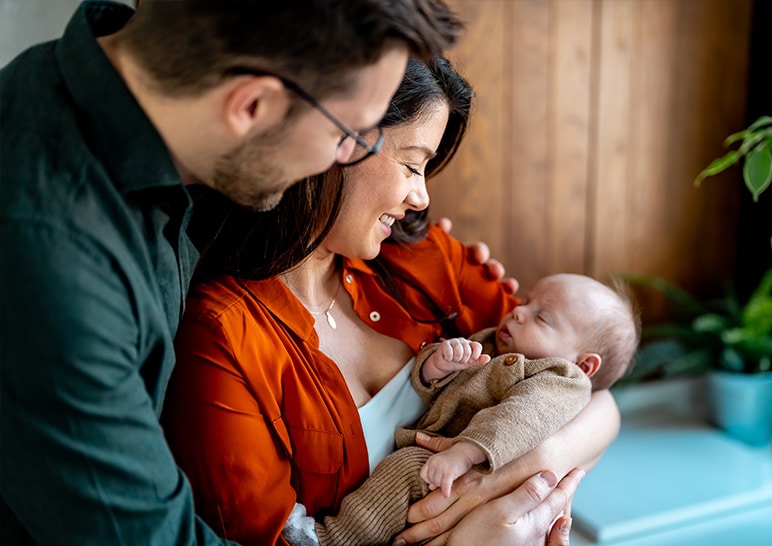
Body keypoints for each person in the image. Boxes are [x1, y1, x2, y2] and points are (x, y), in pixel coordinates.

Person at [0, 1, 463, 544]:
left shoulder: (155, 111)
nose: (339, 161)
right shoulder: (57, 263)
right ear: (251, 106)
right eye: (352, 136)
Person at [164, 57, 621, 546]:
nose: (421, 197)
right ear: (335, 141)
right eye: (411, 164)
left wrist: (517, 471)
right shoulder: (222, 338)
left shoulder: (420, 256)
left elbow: (594, 392)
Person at [299, 273, 639, 546]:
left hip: (475, 463)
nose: (518, 311)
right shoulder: (494, 342)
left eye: (543, 317)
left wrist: (463, 453)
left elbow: (520, 418)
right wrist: (436, 367)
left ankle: (329, 539)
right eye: (525, 301)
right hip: (451, 463)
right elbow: (433, 393)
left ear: (585, 364)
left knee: (403, 473)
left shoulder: (560, 378)